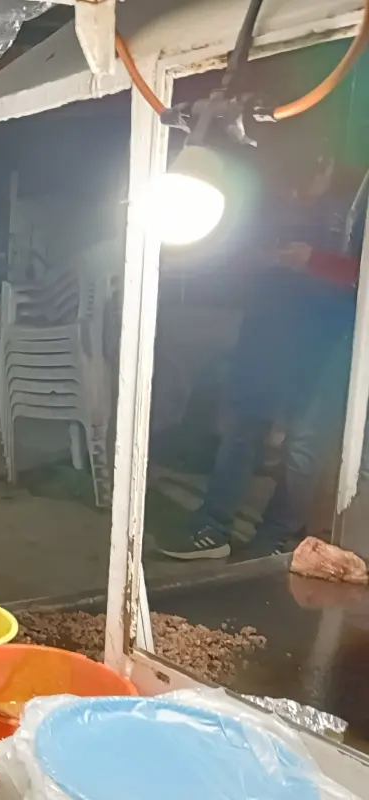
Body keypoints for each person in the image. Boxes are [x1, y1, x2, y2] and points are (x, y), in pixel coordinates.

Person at [160, 154, 360, 561]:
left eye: (309, 177)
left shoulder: (351, 206)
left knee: (304, 445)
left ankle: (276, 538)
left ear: (326, 168)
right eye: (291, 183)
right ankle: (213, 528)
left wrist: (312, 261)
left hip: (327, 338)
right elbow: (229, 260)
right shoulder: (265, 204)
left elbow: (361, 274)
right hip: (266, 330)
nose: (298, 191)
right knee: (241, 431)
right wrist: (259, 259)